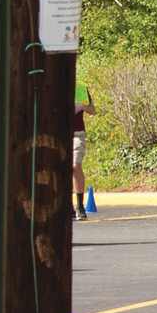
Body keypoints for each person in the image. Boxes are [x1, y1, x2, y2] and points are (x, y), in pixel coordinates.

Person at [72, 83, 94, 218]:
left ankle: (80, 206)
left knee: (75, 165)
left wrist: (82, 106)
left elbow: (93, 110)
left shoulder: (80, 88)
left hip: (77, 133)